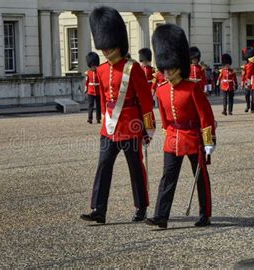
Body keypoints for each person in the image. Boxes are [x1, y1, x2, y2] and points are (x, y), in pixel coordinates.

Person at [80, 6, 156, 224]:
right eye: (103, 47)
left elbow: (145, 100)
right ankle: (98, 209)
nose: (105, 50)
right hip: (110, 127)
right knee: (103, 165)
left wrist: (147, 128)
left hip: (131, 125)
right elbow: (104, 100)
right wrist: (104, 121)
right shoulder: (101, 70)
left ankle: (141, 207)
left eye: (109, 46)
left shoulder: (133, 69)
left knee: (135, 167)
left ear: (118, 45)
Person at [145, 24, 216, 229]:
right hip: (173, 138)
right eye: (164, 68)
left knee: (200, 177)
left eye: (170, 68)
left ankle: (205, 214)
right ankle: (161, 216)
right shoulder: (161, 90)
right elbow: (165, 119)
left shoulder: (192, 88)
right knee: (167, 178)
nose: (167, 72)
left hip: (194, 137)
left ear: (179, 66)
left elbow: (206, 116)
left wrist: (209, 140)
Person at [84, 52, 101, 124]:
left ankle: (98, 118)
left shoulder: (99, 72)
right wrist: (86, 88)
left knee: (98, 106)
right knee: (90, 105)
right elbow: (87, 81)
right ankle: (90, 118)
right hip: (90, 91)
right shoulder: (88, 72)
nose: (93, 67)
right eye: (92, 66)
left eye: (94, 66)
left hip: (98, 90)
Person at [241, 47, 254, 113]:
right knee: (247, 95)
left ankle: (252, 107)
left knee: (253, 95)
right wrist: (242, 81)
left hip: (253, 80)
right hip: (247, 81)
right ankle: (247, 106)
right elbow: (244, 74)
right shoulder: (245, 65)